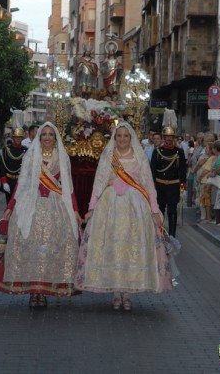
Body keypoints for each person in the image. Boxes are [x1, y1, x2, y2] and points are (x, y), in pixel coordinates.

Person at [75, 121, 173, 311]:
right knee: (113, 246)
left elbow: (149, 186)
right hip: (110, 206)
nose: (122, 139)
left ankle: (128, 293)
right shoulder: (108, 157)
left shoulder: (139, 157)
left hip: (135, 208)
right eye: (119, 136)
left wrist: (155, 210)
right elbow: (98, 184)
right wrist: (92, 208)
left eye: (125, 136)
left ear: (131, 138)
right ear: (115, 137)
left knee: (131, 246)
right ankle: (116, 293)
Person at [0, 122, 82, 307]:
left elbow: (69, 188)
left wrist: (75, 210)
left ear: (55, 138)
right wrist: (10, 206)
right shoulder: (31, 156)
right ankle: (33, 291)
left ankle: (46, 289)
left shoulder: (62, 158)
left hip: (56, 206)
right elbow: (21, 184)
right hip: (31, 204)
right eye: (44, 135)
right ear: (39, 138)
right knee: (27, 245)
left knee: (53, 247)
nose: (47, 138)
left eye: (51, 135)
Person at [150, 126, 186, 237]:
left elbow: (182, 169)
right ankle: (160, 233)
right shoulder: (157, 151)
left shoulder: (179, 152)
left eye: (171, 137)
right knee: (160, 211)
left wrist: (183, 184)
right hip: (160, 185)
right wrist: (152, 185)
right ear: (163, 138)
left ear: (174, 138)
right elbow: (153, 169)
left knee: (172, 210)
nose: (169, 139)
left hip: (173, 185)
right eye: (167, 137)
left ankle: (172, 235)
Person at [0, 128, 27, 203]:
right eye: (16, 137)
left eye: (20, 137)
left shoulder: (26, 150)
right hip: (9, 181)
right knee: (9, 204)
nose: (18, 139)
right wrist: (4, 182)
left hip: (21, 181)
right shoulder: (6, 149)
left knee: (20, 205)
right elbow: (2, 166)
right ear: (13, 137)